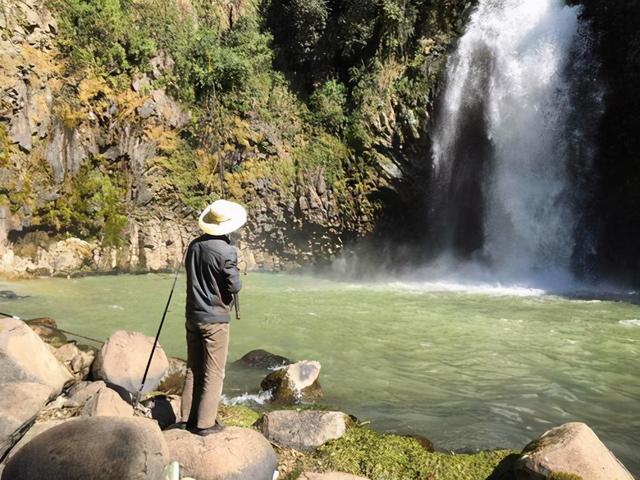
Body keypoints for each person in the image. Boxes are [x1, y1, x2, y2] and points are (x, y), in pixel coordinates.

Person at [180, 199, 246, 436]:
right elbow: (235, 286)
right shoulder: (227, 251)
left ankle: (186, 417)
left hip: (192, 315)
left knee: (193, 368)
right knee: (214, 371)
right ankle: (205, 424)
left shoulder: (193, 246)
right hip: (215, 319)